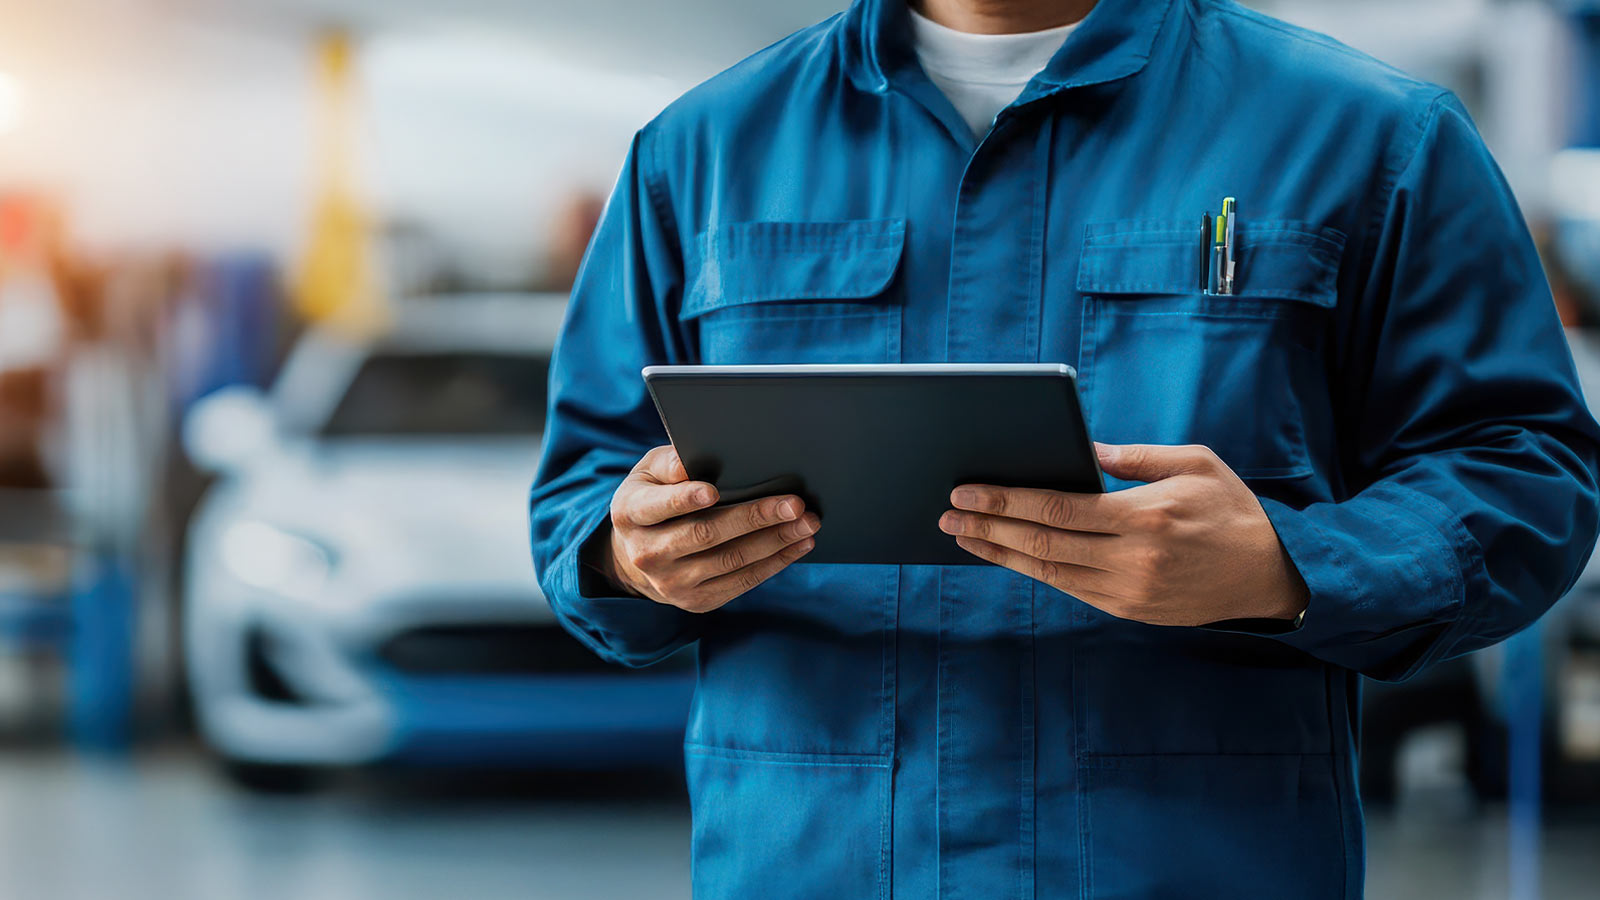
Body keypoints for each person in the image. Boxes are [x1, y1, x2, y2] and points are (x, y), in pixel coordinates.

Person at [529, 0, 1600, 896]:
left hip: (1194, 868)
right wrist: (630, 552)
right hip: (810, 866)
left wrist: (1287, 565)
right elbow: (584, 488)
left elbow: (1524, 466)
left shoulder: (1366, 135)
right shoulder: (702, 154)